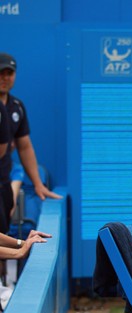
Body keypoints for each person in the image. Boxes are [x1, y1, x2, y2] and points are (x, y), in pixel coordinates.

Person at [0, 52, 62, 235]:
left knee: (3, 242)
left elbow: (24, 146)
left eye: (9, 73)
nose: (5, 77)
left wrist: (37, 184)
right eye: (1, 72)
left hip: (3, 183)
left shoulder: (17, 107)